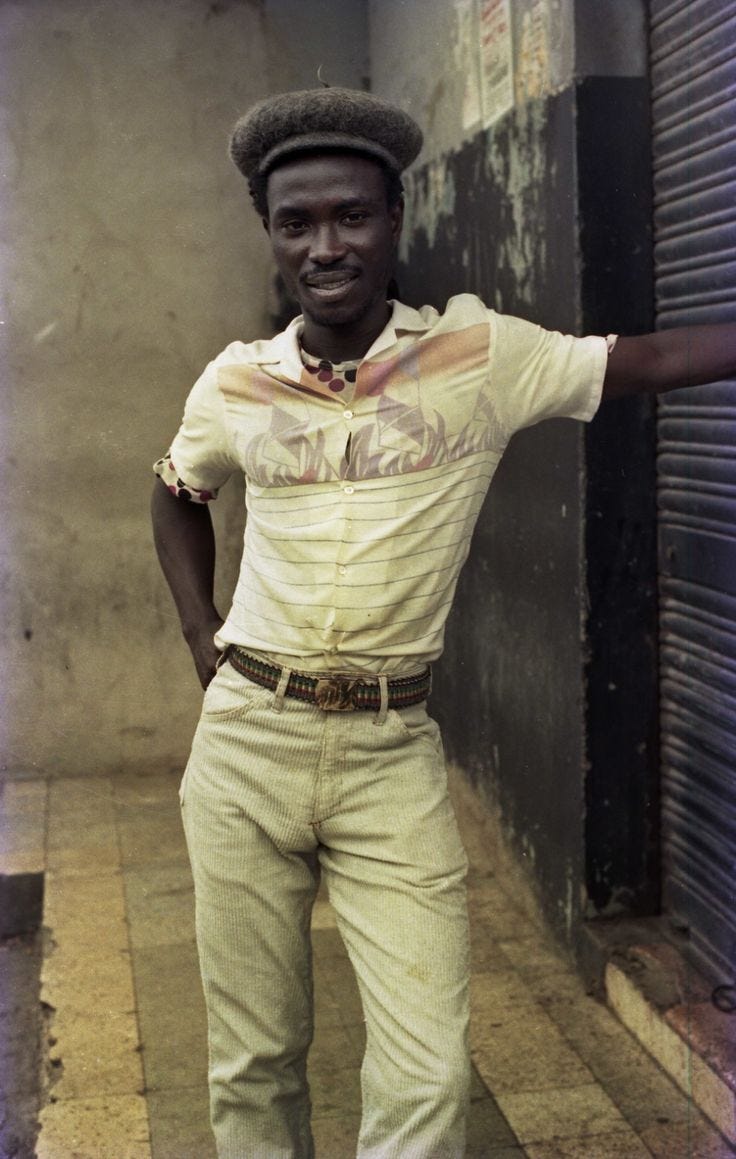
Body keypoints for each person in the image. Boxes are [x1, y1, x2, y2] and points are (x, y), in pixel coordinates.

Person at [151, 86, 736, 1159]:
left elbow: (641, 361)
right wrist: (204, 635)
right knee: (254, 1059)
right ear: (272, 238)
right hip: (244, 749)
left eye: (351, 216)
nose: (326, 246)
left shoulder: (477, 356)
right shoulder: (235, 381)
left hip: (389, 756)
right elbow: (179, 492)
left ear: (395, 220)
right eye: (297, 224)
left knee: (424, 1069)